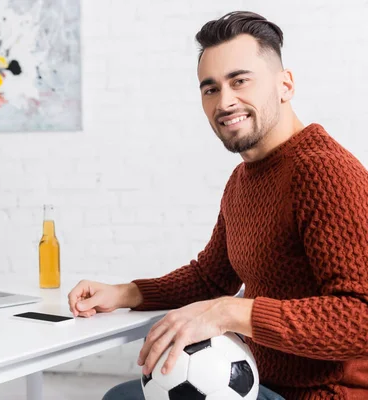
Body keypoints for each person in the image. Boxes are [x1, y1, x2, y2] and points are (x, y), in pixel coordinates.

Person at [68, 10, 368, 400]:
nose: (225, 102)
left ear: (285, 85)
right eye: (210, 89)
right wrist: (124, 293)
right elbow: (210, 278)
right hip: (260, 379)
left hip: (324, 393)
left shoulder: (324, 173)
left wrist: (231, 313)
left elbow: (361, 317)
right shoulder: (243, 179)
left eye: (240, 81)